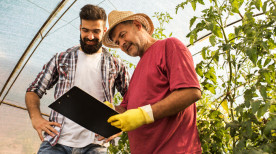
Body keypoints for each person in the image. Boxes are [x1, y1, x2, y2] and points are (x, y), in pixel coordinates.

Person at [25, 5, 129, 154]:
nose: (90, 37)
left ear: (104, 31)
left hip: (96, 144)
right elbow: (33, 90)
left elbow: (133, 97)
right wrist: (36, 118)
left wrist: (121, 124)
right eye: (85, 30)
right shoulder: (61, 59)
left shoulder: (116, 65)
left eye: (96, 31)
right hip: (56, 143)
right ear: (80, 28)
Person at [102, 10, 202, 154]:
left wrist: (143, 115)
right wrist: (107, 111)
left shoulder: (169, 46)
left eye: (123, 35)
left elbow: (190, 92)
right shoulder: (136, 73)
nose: (122, 43)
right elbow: (126, 110)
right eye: (117, 42)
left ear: (137, 25)